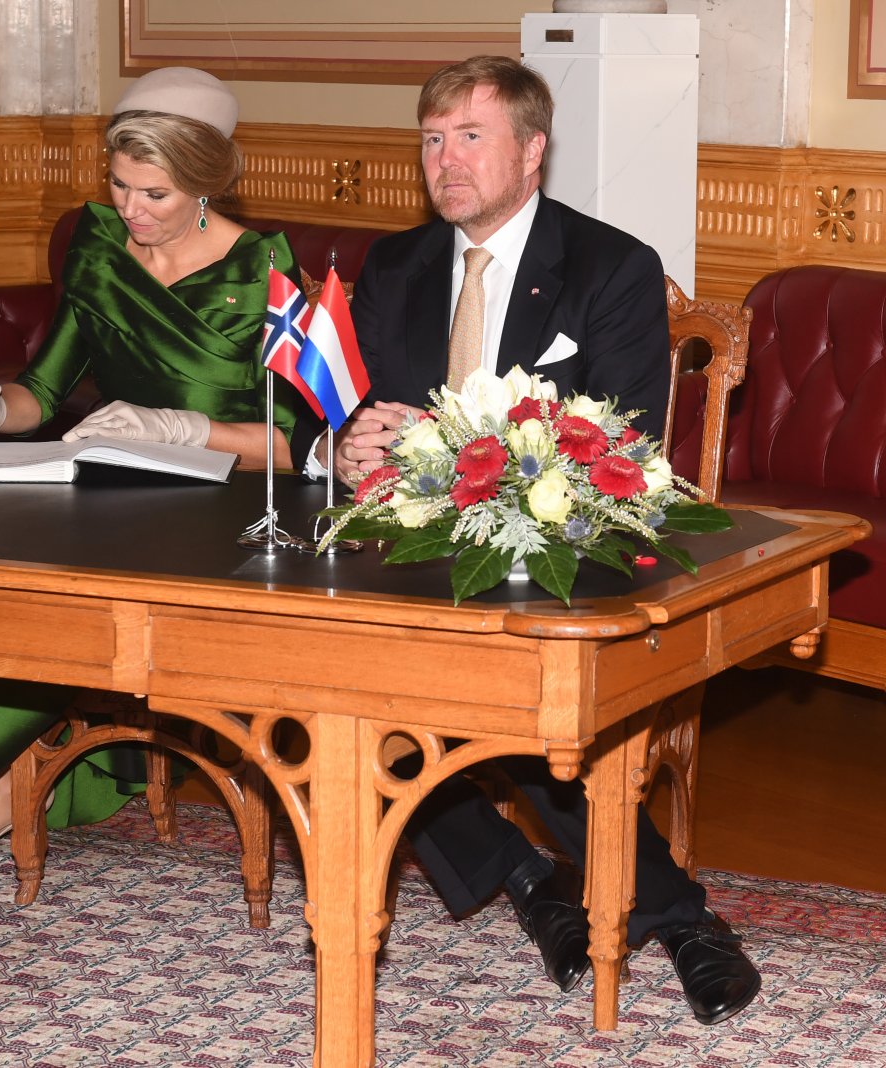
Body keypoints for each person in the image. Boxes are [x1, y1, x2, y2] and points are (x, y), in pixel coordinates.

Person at [291, 55, 761, 1027]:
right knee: (326, 668)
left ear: (531, 150)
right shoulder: (397, 266)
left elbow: (622, 445)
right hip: (410, 544)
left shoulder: (611, 266)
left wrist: (443, 452)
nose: (445, 161)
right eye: (431, 138)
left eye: (470, 136)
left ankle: (674, 917)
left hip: (565, 539)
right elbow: (336, 412)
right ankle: (524, 876)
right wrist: (344, 446)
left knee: (510, 679)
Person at [0, 66, 308, 890]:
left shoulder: (268, 276)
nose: (132, 211)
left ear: (208, 186)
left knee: (53, 597)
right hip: (115, 489)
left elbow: (303, 446)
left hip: (229, 507)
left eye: (156, 194)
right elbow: (39, 391)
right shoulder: (102, 246)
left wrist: (185, 428)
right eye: (119, 186)